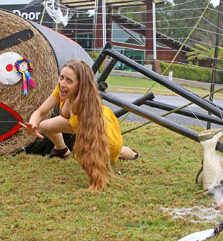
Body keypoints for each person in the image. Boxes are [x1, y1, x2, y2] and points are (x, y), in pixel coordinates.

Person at [20, 59, 139, 191]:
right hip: (74, 123)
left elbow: (91, 151)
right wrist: (32, 125)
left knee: (117, 151)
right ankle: (62, 150)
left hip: (103, 134)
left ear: (80, 85)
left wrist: (96, 180)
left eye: (69, 81)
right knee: (45, 125)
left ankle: (132, 154)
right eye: (61, 77)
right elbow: (40, 111)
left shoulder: (86, 109)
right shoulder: (62, 89)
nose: (62, 83)